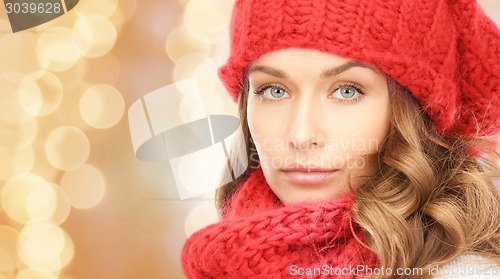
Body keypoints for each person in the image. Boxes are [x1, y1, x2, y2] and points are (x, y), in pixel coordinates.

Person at [182, 0, 500, 278]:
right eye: (274, 90)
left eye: (347, 91)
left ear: (414, 110)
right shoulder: (226, 258)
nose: (301, 135)